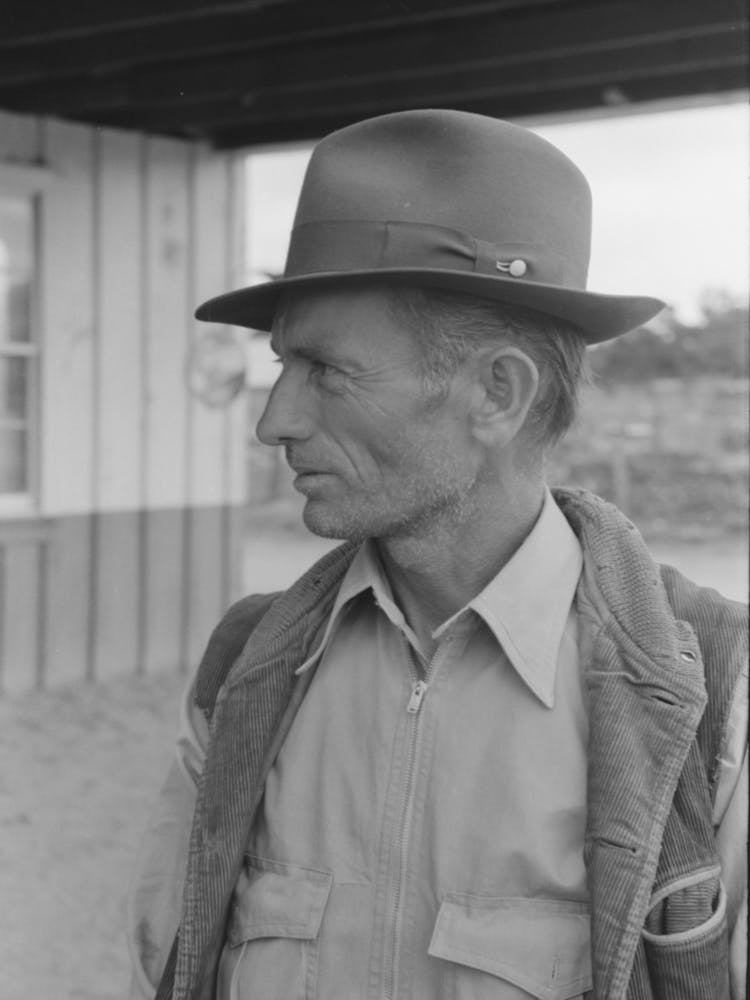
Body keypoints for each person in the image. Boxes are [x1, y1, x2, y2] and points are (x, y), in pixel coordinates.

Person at [128, 110, 747, 1000]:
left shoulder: (714, 702)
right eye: (279, 368)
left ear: (496, 393)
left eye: (327, 371)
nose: (275, 421)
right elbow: (169, 959)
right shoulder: (247, 669)